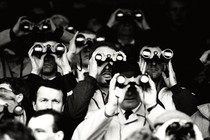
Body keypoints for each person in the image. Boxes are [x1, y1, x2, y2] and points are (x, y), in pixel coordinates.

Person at [71, 61, 166, 140]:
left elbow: (177, 134)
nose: (129, 93)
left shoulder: (154, 118)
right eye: (123, 87)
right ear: (112, 86)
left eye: (134, 88)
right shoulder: (100, 117)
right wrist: (110, 107)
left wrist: (152, 106)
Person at [138, 45, 197, 116]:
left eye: (158, 61)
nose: (153, 64)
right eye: (147, 60)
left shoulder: (176, 93)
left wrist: (175, 88)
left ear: (165, 64)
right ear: (140, 62)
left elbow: (193, 114)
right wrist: (138, 85)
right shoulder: (128, 89)